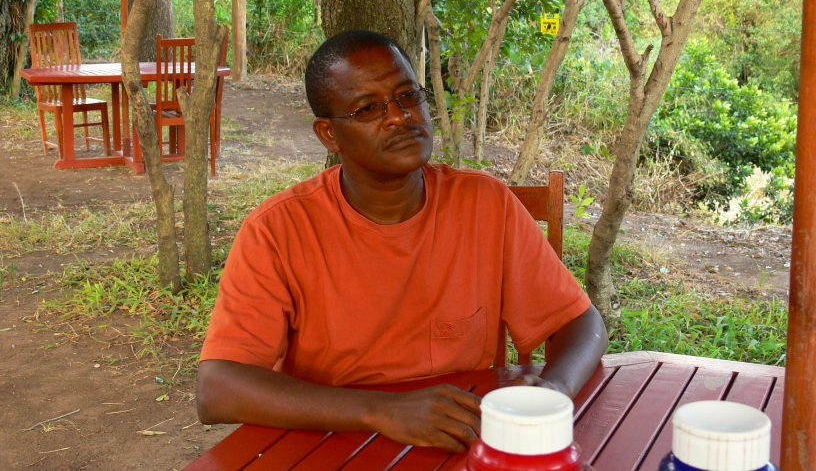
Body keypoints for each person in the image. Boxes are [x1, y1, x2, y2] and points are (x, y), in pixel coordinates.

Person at [196, 29, 608, 453]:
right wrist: (383, 411)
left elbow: (580, 323)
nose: (399, 116)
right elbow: (217, 389)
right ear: (329, 135)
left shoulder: (484, 204)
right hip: (330, 445)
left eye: (408, 95)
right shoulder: (278, 230)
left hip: (460, 441)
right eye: (368, 108)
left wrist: (554, 389)